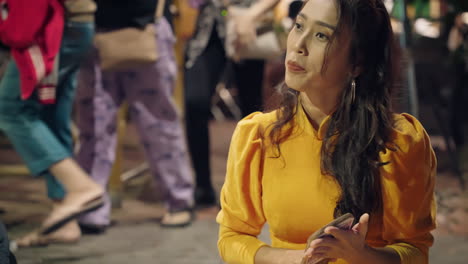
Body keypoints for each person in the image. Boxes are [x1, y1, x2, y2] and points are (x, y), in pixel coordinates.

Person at [216, 0, 436, 263]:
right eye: (299, 26)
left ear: (357, 62)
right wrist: (294, 259)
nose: (298, 44)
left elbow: (415, 249)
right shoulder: (257, 135)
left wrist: (361, 254)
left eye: (322, 35)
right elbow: (231, 237)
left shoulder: (399, 141)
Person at [75, 0, 195, 231]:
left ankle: (178, 200)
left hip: (147, 28)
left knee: (159, 123)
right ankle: (91, 207)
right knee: (94, 126)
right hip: (97, 33)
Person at [0, 0, 104, 247]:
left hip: (51, 23)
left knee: (12, 109)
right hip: (76, 21)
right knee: (52, 114)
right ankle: (64, 219)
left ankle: (79, 187)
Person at [185, 0, 281, 208]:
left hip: (249, 23)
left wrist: (252, 14)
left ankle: (250, 185)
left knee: (251, 109)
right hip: (209, 26)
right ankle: (202, 185)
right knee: (195, 101)